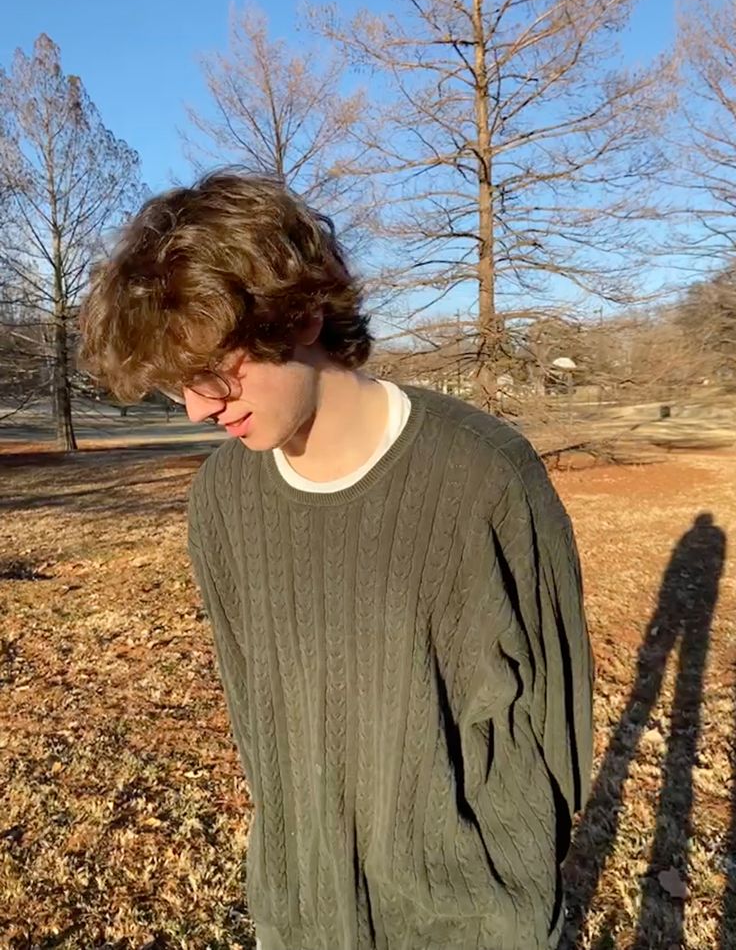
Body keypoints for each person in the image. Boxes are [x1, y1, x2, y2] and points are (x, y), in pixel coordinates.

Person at [79, 170, 594, 950]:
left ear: (306, 313)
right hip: (304, 916)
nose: (198, 407)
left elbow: (555, 726)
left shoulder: (485, 476)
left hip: (474, 922)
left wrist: (505, 892)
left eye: (216, 367)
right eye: (179, 383)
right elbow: (258, 713)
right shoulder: (221, 501)